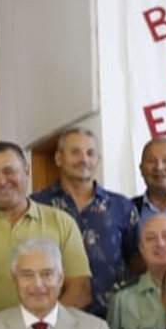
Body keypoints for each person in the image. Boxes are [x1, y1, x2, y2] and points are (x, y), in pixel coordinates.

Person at [0, 141, 93, 325]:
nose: (1, 181)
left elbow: (80, 289)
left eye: (9, 171)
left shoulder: (62, 222)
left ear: (27, 171)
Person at [32, 127, 142, 313]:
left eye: (90, 153)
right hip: (55, 315)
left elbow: (136, 261)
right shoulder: (37, 205)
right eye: (75, 152)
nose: (84, 160)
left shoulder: (121, 206)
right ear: (59, 158)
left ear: (98, 160)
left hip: (113, 317)